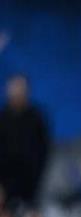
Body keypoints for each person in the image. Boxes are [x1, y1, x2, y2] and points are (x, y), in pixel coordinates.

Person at [0, 74, 50, 205]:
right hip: (5, 181)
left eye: (20, 90)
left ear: (27, 92)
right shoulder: (2, 118)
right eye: (14, 90)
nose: (17, 94)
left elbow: (43, 150)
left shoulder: (36, 117)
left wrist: (37, 178)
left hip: (31, 182)